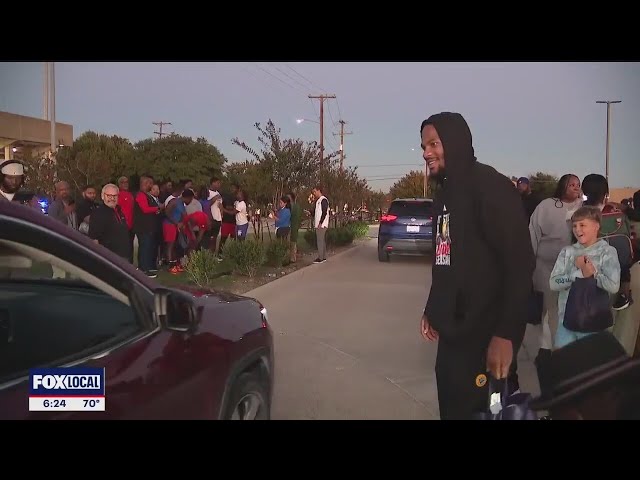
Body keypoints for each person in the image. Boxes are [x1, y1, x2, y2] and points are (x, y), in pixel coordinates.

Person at [417, 112, 535, 420]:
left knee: (491, 412)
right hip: (454, 338)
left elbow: (520, 265)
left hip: (487, 338)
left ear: (455, 143)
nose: (426, 152)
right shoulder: (444, 194)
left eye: (433, 144)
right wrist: (434, 306)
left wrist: (507, 335)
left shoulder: (490, 187)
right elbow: (445, 256)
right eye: (423, 146)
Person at [528, 174, 583, 390]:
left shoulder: (582, 207)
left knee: (562, 310)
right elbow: (533, 234)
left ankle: (557, 349)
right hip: (545, 266)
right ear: (562, 186)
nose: (575, 188)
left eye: (578, 185)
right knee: (548, 307)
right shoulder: (546, 206)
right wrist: (529, 263)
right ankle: (545, 351)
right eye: (571, 184)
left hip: (570, 267)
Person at [550, 206, 621, 349]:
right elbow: (553, 283)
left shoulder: (607, 252)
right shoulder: (567, 252)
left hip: (593, 323)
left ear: (596, 226)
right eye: (575, 225)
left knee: (591, 367)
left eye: (582, 224)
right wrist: (577, 275)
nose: (577, 229)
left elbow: (613, 286)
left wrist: (593, 274)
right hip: (566, 321)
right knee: (565, 366)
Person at [581, 173, 633, 310]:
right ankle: (624, 293)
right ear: (605, 193)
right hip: (621, 268)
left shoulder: (579, 214)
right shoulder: (616, 212)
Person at [88, 184, 131, 261]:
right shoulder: (98, 213)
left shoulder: (119, 211)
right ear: (102, 196)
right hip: (108, 258)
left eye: (115, 196)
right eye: (109, 195)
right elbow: (94, 238)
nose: (112, 198)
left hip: (123, 256)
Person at [312, 186, 329, 264]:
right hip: (319, 224)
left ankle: (320, 258)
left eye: (315, 192)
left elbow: (324, 212)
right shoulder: (318, 201)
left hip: (321, 225)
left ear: (319, 191)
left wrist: (320, 223)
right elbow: (317, 213)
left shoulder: (323, 200)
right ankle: (323, 256)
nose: (314, 193)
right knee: (322, 240)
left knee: (320, 240)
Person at [287, 192, 302, 263]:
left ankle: (292, 258)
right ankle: (291, 257)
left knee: (293, 242)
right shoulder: (289, 206)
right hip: (290, 226)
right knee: (290, 242)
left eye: (288, 198)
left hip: (294, 226)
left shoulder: (295, 207)